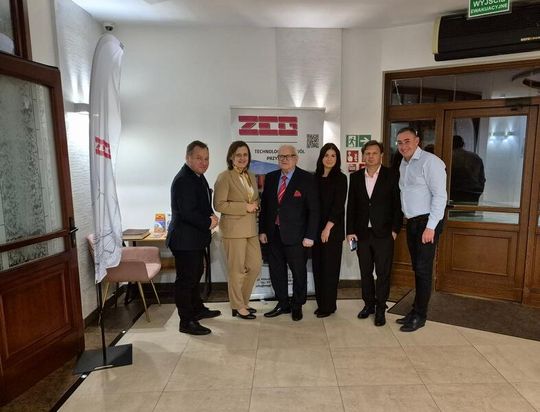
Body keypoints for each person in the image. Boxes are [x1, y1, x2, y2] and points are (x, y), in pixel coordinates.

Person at [167, 140, 221, 335]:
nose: (204, 162)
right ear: (188, 157)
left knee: (196, 274)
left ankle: (197, 309)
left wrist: (211, 215)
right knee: (186, 281)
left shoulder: (198, 176)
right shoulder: (184, 180)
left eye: (206, 158)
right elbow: (187, 212)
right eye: (199, 158)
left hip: (195, 240)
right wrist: (208, 222)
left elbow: (203, 204)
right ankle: (186, 321)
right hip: (184, 240)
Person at [259, 144, 319, 321]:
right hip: (274, 234)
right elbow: (266, 208)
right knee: (277, 271)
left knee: (298, 272)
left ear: (296, 158)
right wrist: (262, 230)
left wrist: (310, 235)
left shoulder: (307, 178)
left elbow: (314, 210)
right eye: (281, 156)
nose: (284, 159)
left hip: (297, 236)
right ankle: (283, 303)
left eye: (288, 156)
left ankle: (297, 305)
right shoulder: (271, 177)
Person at [395, 127, 447, 332]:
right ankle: (415, 310)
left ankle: (420, 316)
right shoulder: (403, 163)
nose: (403, 146)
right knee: (417, 268)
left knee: (424, 270)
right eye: (399, 143)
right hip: (412, 223)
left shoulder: (430, 162)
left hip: (427, 223)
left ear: (417, 141)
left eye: (407, 141)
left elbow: (440, 196)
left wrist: (431, 227)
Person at [347, 140, 402, 326]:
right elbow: (352, 206)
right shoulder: (355, 177)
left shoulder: (392, 175)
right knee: (365, 272)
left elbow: (397, 205)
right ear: (363, 155)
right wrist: (350, 231)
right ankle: (369, 305)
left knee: (383, 273)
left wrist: (395, 230)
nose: (370, 156)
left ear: (381, 156)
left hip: (384, 234)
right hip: (362, 234)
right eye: (367, 153)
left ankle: (380, 309)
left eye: (374, 153)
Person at [214, 141, 262, 320]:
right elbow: (219, 205)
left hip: (251, 229)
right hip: (233, 230)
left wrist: (256, 204)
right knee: (236, 270)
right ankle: (238, 306)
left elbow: (254, 199)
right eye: (238, 155)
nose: (242, 158)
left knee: (255, 266)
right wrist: (245, 207)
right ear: (231, 157)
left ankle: (242, 302)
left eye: (245, 155)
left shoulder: (251, 175)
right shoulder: (224, 177)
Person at [312, 143, 347, 318]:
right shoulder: (315, 177)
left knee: (330, 270)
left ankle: (329, 306)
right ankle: (321, 304)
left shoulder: (341, 178)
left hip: (332, 231)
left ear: (337, 158)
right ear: (321, 157)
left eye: (333, 155)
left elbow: (338, 206)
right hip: (315, 230)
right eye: (326, 155)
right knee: (318, 268)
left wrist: (327, 228)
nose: (329, 158)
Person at [450, 135, 485, 204]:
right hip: (474, 192)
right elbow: (482, 179)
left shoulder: (449, 156)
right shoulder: (476, 157)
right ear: (463, 144)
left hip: (454, 192)